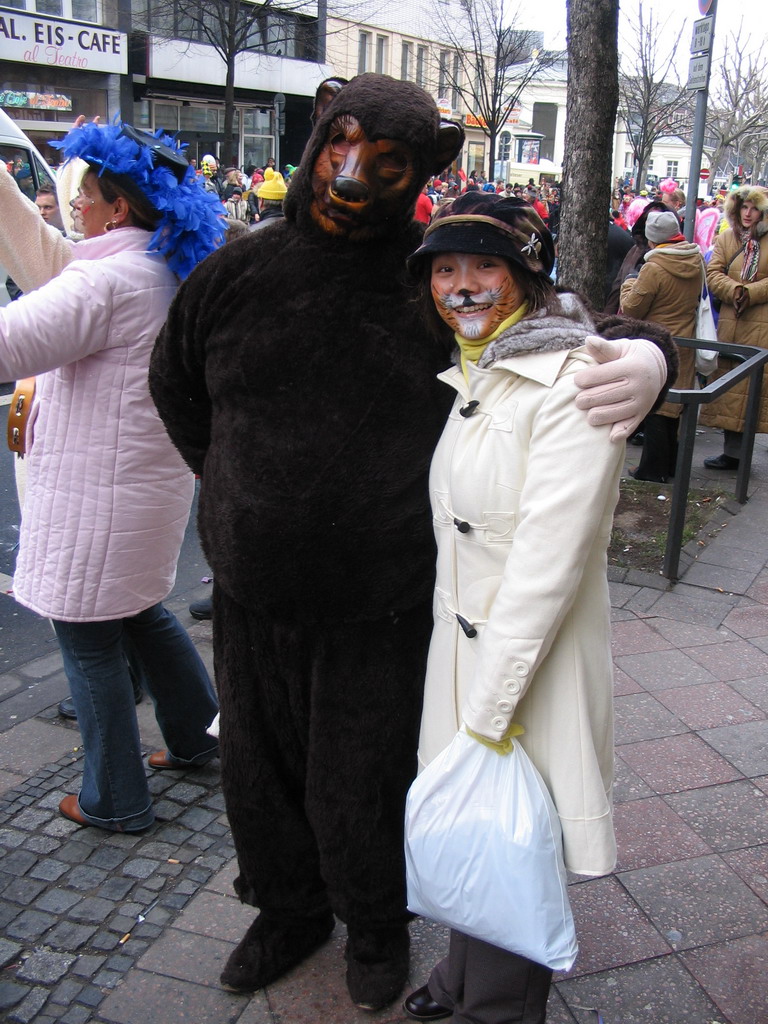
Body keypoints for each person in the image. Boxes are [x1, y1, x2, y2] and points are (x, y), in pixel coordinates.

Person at [148, 74, 674, 1012]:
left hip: (384, 597)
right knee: (257, 772)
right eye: (340, 148)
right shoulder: (234, 272)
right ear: (316, 137)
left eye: (385, 163)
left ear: (423, 171)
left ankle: (377, 922)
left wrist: (648, 357)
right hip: (253, 588)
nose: (351, 178)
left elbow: (560, 325)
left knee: (367, 772)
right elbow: (176, 385)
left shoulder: (429, 279)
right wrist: (228, 485)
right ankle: (287, 908)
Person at [402, 191, 624, 1024]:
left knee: (510, 831)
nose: (461, 286)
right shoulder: (479, 368)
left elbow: (546, 562)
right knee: (477, 823)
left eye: (483, 266)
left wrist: (489, 708)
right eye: (445, 269)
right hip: (466, 654)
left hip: (527, 666)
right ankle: (461, 978)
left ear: (526, 278)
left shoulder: (568, 380)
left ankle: (495, 1007)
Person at [0, 120, 224, 833]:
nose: (74, 209)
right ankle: (197, 736)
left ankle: (115, 798)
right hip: (143, 491)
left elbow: (10, 342)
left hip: (95, 499)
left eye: (84, 196)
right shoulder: (168, 268)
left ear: (118, 207)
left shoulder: (108, 276)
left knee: (88, 639)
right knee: (140, 615)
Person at [619, 209, 703, 482]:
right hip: (685, 342)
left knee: (655, 404)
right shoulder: (695, 259)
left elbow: (631, 308)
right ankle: (672, 466)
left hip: (657, 342)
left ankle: (652, 469)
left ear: (653, 240)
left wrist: (627, 284)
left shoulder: (653, 268)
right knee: (674, 405)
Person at [700, 185, 768, 470]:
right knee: (730, 388)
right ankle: (732, 453)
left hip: (761, 324)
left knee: (754, 389)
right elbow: (713, 272)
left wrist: (750, 293)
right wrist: (734, 290)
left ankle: (742, 453)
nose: (748, 213)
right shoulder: (728, 237)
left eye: (754, 208)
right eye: (744, 207)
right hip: (731, 324)